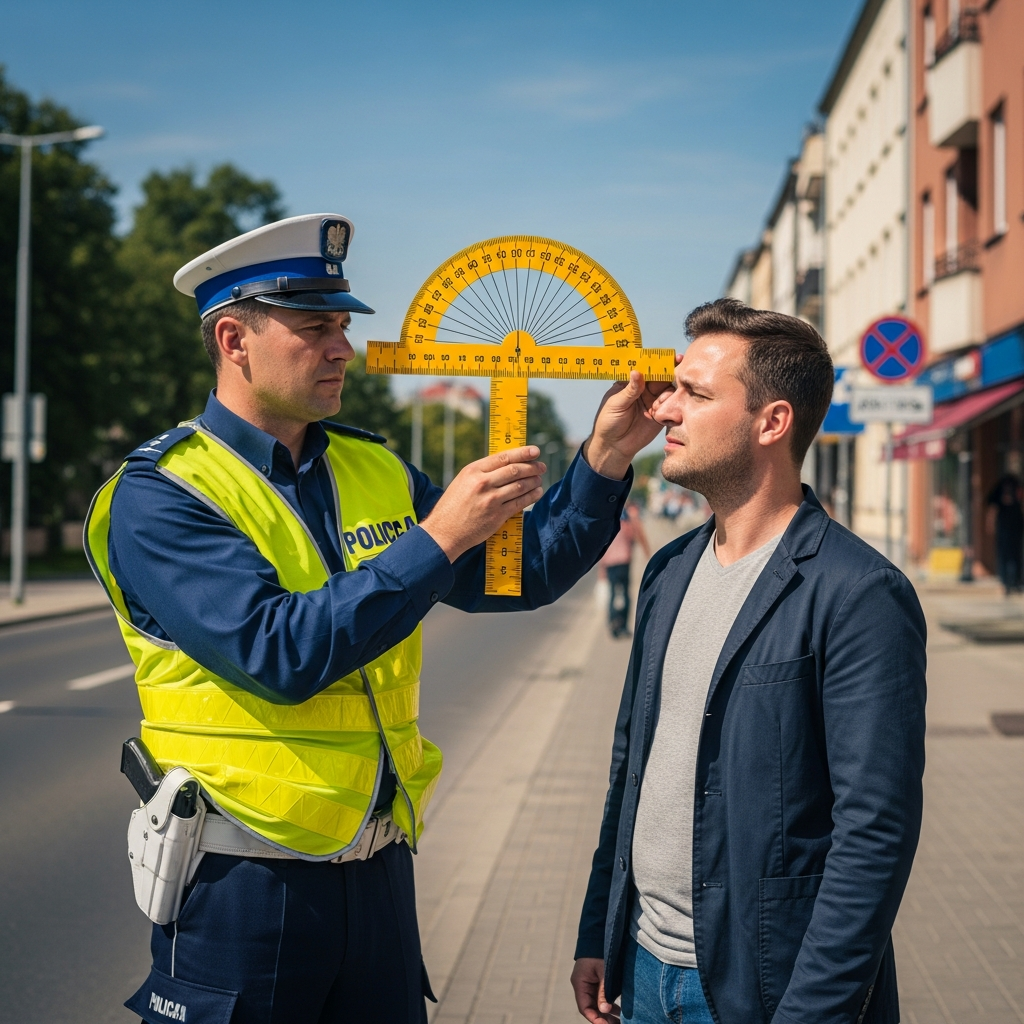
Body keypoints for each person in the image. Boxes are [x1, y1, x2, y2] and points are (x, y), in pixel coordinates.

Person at [84, 213, 670, 1024]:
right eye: (314, 328)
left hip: (379, 871)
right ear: (233, 339)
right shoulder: (163, 495)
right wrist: (437, 537)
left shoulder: (372, 463)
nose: (342, 350)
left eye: (344, 327)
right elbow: (278, 652)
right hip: (242, 881)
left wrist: (605, 458)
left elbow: (518, 574)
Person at [570, 299, 927, 1024]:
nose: (665, 409)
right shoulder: (668, 570)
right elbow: (631, 765)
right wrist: (596, 930)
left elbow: (875, 834)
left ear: (772, 422)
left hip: (761, 987)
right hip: (641, 966)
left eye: (695, 393)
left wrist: (814, 1012)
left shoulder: (858, 593)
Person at [600, 502, 651, 638]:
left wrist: (601, 568)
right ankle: (623, 625)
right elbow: (638, 534)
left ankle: (612, 622)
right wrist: (647, 553)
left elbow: (600, 546)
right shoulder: (628, 517)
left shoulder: (606, 518)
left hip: (610, 562)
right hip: (623, 561)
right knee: (625, 593)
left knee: (612, 593)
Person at [986, 473, 1023, 595]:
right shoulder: (1000, 487)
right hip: (1005, 528)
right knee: (1004, 556)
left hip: (1016, 527)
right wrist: (990, 524)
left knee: (1015, 556)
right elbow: (993, 507)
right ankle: (1006, 582)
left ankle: (1015, 581)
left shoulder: (1017, 486)